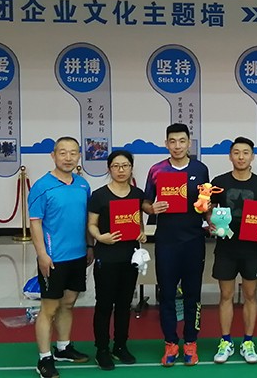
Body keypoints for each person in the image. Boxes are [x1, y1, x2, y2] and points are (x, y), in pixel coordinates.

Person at [142, 123, 210, 367]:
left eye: (182, 141)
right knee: (167, 295)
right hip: (166, 242)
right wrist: (152, 208)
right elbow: (145, 202)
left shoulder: (200, 169)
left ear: (189, 143)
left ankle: (191, 342)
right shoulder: (156, 170)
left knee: (193, 294)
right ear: (166, 143)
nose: (177, 146)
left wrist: (210, 216)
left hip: (193, 241)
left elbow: (205, 201)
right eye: (172, 141)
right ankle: (170, 343)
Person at [28, 136, 92, 378]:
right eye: (63, 153)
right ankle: (44, 358)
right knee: (49, 307)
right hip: (53, 258)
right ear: (53, 155)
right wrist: (42, 255)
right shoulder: (42, 186)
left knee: (68, 303)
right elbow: (35, 223)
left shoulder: (83, 185)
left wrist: (90, 245)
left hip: (79, 255)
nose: (68, 158)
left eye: (73, 153)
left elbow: (86, 219)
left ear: (79, 156)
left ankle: (63, 348)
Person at [209, 136, 257, 365]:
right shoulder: (218, 182)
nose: (241, 157)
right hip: (226, 248)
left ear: (252, 156)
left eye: (245, 153)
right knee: (225, 295)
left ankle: (248, 342)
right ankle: (225, 341)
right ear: (230, 156)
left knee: (250, 296)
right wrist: (210, 221)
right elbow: (209, 209)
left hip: (251, 249)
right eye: (236, 152)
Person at [87, 150, 147, 370]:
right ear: (109, 168)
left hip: (129, 257)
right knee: (104, 305)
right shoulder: (99, 195)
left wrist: (141, 233)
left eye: (125, 166)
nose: (121, 170)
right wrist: (100, 237)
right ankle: (102, 349)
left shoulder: (138, 194)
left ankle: (120, 346)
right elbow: (91, 224)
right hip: (106, 257)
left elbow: (138, 221)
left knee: (124, 304)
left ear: (131, 168)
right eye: (116, 166)